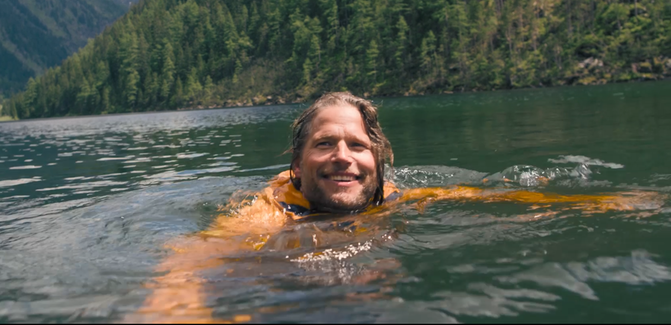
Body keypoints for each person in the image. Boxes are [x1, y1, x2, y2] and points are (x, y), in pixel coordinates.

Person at [135, 92, 661, 323]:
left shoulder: (400, 198)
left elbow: (492, 196)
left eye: (357, 146)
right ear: (296, 164)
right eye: (325, 144)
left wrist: (609, 203)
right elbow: (192, 262)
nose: (343, 157)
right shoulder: (267, 211)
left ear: (379, 161)